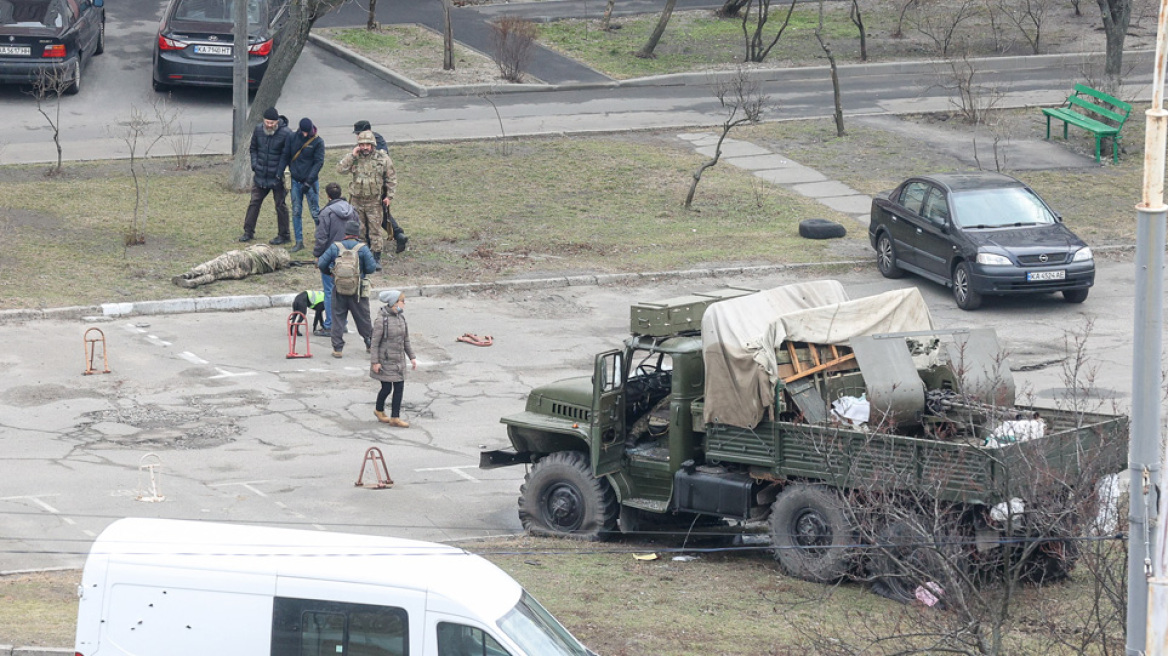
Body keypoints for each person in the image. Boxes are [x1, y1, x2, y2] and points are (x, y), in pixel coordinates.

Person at [316, 220, 377, 359]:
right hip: (358, 291)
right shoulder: (362, 248)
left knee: (338, 318)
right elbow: (372, 267)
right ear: (357, 233)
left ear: (346, 232)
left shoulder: (335, 247)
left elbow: (321, 264)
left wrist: (331, 273)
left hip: (339, 288)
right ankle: (370, 343)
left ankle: (338, 349)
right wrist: (361, 273)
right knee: (363, 318)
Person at [337, 130, 396, 271]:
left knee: (375, 231)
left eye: (367, 145)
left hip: (374, 202)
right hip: (357, 201)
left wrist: (389, 196)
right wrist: (352, 155)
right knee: (360, 231)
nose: (364, 147)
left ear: (372, 145)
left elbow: (391, 178)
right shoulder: (354, 158)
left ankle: (376, 259)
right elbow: (340, 169)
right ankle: (363, 257)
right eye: (362, 144)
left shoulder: (382, 159)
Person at [353, 119, 409, 255]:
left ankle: (395, 235)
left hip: (378, 185)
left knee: (378, 215)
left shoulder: (374, 143)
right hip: (375, 184)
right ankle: (397, 234)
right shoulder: (378, 139)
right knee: (379, 214)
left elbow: (382, 163)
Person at [240, 108, 293, 245]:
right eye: (267, 122)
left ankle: (284, 234)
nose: (269, 125)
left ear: (277, 122)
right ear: (263, 121)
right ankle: (248, 231)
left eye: (272, 123)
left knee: (280, 205)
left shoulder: (286, 134)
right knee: (254, 203)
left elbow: (287, 155)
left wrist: (279, 172)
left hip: (277, 178)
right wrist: (255, 165)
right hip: (260, 175)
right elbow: (253, 149)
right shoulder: (258, 130)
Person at [313, 182, 357, 337]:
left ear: (328, 196)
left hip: (330, 257)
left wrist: (318, 255)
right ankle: (342, 323)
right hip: (349, 256)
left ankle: (331, 325)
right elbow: (358, 230)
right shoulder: (352, 210)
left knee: (330, 291)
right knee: (344, 289)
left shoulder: (326, 213)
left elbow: (321, 236)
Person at [370, 289, 416, 427]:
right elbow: (374, 343)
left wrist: (412, 357)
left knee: (399, 387)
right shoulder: (381, 320)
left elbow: (405, 340)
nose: (404, 304)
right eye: (402, 301)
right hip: (385, 361)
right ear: (393, 303)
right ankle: (379, 410)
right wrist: (375, 362)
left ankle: (395, 417)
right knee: (386, 388)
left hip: (399, 361)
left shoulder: (401, 318)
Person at [171, 244, 291, 289]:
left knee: (211, 266)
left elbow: (249, 248)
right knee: (215, 276)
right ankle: (195, 282)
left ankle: (187, 275)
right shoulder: (271, 266)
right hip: (245, 271)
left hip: (241, 257)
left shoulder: (264, 248)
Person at [287, 117, 325, 253]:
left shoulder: (318, 142)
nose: (304, 135)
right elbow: (288, 155)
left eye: (306, 132)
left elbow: (318, 162)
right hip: (296, 181)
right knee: (296, 211)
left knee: (315, 212)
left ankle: (322, 239)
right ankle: (298, 241)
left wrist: (309, 181)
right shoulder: (293, 137)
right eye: (302, 132)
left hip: (311, 182)